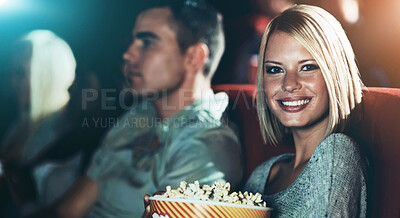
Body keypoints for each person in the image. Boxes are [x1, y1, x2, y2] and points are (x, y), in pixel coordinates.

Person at [29, 0, 243, 217]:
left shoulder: (206, 145)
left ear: (193, 57)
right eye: (132, 42)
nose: (128, 55)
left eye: (147, 42)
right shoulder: (141, 114)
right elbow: (69, 208)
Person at [243, 5, 367, 217]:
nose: (289, 84)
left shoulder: (337, 153)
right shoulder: (263, 175)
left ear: (335, 73)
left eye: (308, 67)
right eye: (275, 69)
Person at [0, 30, 80, 216]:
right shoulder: (20, 125)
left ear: (45, 76)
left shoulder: (64, 133)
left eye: (20, 73)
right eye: (11, 72)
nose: (11, 81)